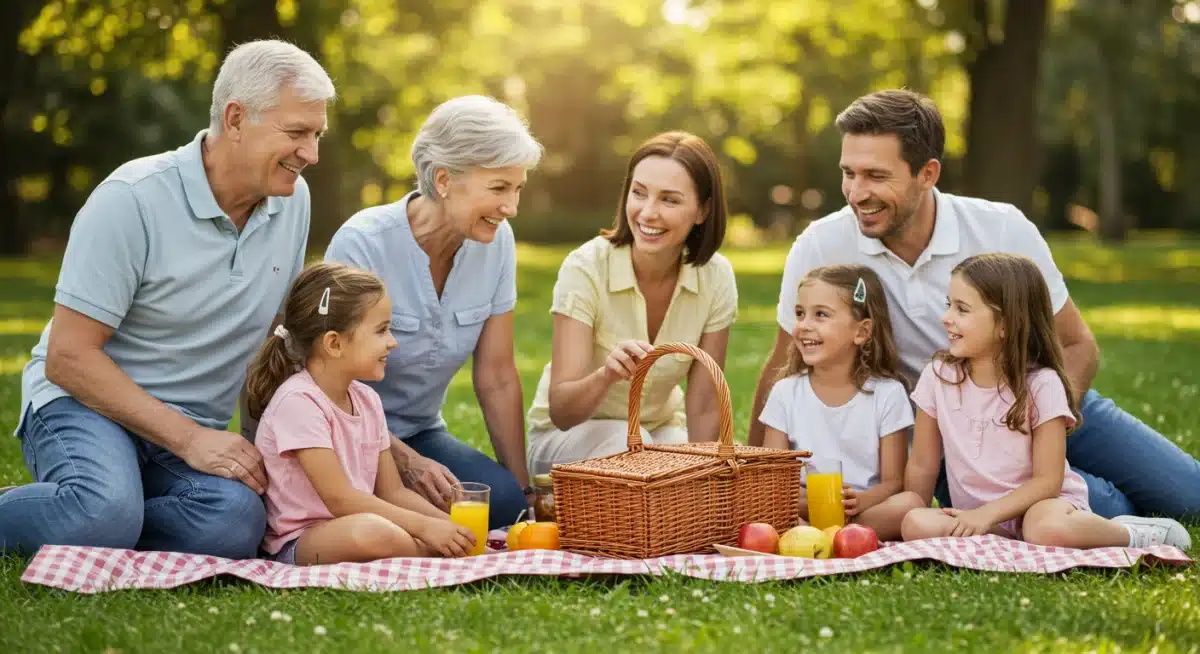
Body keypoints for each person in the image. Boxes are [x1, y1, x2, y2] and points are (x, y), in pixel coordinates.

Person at [749, 89, 1200, 522]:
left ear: (928, 173)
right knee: (1109, 510)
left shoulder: (1001, 229)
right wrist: (753, 481)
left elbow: (1077, 345)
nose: (856, 192)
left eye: (876, 176)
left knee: (1188, 495)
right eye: (849, 172)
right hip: (949, 435)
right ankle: (1121, 518)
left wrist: (1036, 428)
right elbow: (784, 364)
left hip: (1044, 401)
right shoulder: (822, 245)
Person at [0, 40, 335, 558]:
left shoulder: (292, 202)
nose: (311, 154)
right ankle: (90, 513)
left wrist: (276, 447)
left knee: (235, 522)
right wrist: (190, 440)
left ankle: (99, 518)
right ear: (236, 118)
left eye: (316, 135)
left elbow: (274, 338)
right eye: (296, 133)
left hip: (182, 429)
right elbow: (69, 357)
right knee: (101, 514)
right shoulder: (132, 199)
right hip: (84, 405)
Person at [321, 95, 542, 530]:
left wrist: (523, 496)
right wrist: (403, 460)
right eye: (498, 188)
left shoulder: (497, 242)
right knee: (378, 521)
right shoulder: (362, 243)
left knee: (502, 505)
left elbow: (497, 375)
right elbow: (323, 381)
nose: (511, 207)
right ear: (444, 180)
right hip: (339, 435)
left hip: (420, 433)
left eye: (517, 189)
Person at [901, 254, 1191, 549]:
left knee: (1044, 529)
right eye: (948, 304)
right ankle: (1005, 540)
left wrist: (988, 514)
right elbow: (923, 464)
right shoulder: (939, 376)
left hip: (1041, 505)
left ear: (1006, 325)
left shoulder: (1042, 384)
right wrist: (914, 511)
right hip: (977, 516)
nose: (946, 317)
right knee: (915, 523)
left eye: (962, 309)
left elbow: (1047, 482)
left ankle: (1133, 535)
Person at [525, 131, 738, 466]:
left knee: (686, 464)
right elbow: (562, 412)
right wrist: (605, 375)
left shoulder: (716, 276)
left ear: (702, 210)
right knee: (629, 446)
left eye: (669, 200)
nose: (647, 213)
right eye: (639, 193)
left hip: (656, 431)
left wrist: (703, 477)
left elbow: (704, 406)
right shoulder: (586, 268)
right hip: (567, 437)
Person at [247, 262, 476, 564]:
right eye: (381, 330)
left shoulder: (367, 399)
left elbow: (393, 492)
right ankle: (430, 552)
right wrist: (426, 528)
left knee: (386, 529)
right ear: (334, 343)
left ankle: (438, 549)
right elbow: (340, 499)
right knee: (374, 532)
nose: (392, 341)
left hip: (359, 522)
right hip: (303, 540)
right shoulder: (298, 402)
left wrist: (451, 527)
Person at [760, 264, 926, 541]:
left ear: (861, 332)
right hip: (804, 503)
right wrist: (814, 501)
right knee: (766, 506)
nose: (803, 326)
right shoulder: (785, 393)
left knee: (911, 504)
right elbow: (771, 481)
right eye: (800, 314)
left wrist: (861, 501)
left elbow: (894, 483)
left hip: (863, 507)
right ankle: (841, 536)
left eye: (820, 315)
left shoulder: (888, 394)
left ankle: (819, 536)